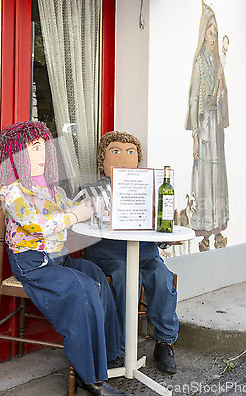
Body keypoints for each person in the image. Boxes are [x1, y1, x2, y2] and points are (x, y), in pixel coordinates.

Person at [0, 121, 124, 396]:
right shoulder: (13, 191)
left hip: (58, 259)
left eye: (44, 148)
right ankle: (91, 378)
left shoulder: (50, 188)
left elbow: (68, 208)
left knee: (97, 276)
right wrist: (75, 215)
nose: (42, 154)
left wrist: (92, 205)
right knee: (82, 289)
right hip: (33, 263)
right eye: (33, 148)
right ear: (16, 154)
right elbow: (37, 224)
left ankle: (108, 355)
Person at [73, 131, 179, 374]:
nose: (123, 158)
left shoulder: (149, 190)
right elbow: (75, 224)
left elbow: (160, 223)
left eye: (130, 152)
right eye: (116, 152)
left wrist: (164, 232)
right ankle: (119, 346)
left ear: (138, 160)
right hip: (108, 254)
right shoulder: (89, 191)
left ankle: (164, 342)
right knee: (124, 278)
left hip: (145, 252)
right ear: (103, 159)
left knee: (162, 277)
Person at [185, 1, 230, 251]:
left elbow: (222, 99)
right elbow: (194, 99)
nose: (213, 38)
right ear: (204, 34)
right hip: (203, 127)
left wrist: (222, 85)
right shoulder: (200, 63)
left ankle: (217, 229)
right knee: (205, 177)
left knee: (217, 175)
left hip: (217, 128)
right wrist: (194, 134)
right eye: (210, 33)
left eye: (215, 33)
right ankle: (203, 231)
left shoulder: (217, 63)